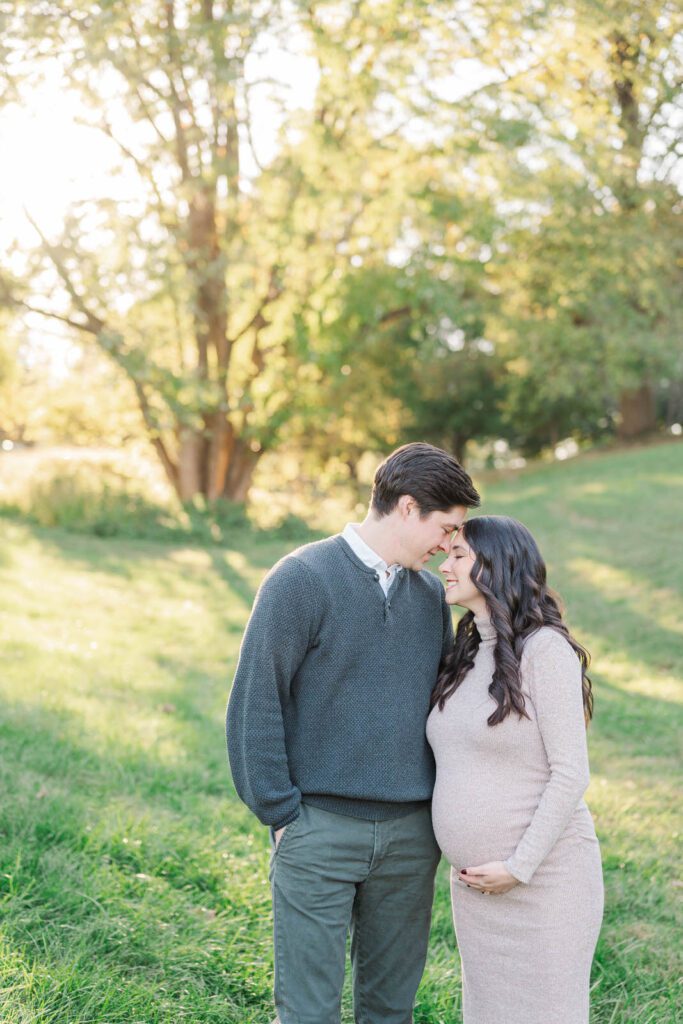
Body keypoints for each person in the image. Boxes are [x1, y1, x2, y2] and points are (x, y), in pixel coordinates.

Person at [226, 442, 480, 1024]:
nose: (449, 545)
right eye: (446, 528)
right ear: (409, 508)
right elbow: (254, 702)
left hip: (411, 838)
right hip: (318, 830)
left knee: (391, 1009)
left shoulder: (426, 597)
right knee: (309, 1010)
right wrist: (281, 813)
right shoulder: (301, 579)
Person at [427, 515, 603, 1024]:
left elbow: (571, 772)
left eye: (459, 555)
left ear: (497, 566)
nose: (446, 564)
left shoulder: (545, 650)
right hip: (477, 892)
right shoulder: (464, 654)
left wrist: (518, 867)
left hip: (546, 883)